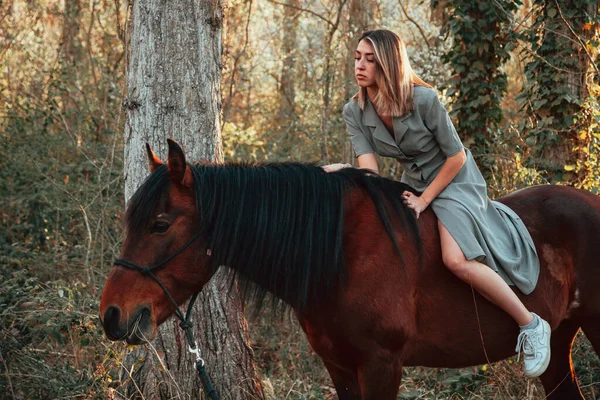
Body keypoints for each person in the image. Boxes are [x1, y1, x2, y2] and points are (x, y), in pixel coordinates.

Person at [324, 29, 551, 378]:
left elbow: (457, 157)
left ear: (388, 63)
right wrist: (339, 172)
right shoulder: (355, 111)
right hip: (415, 183)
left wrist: (425, 200)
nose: (360, 65)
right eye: (357, 57)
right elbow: (369, 170)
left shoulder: (424, 100)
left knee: (454, 260)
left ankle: (531, 324)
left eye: (370, 59)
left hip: (456, 181)